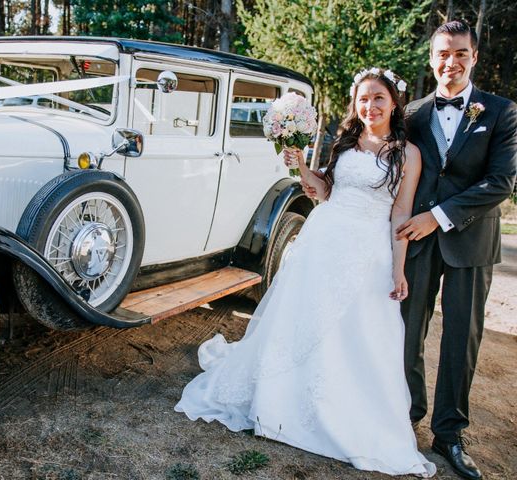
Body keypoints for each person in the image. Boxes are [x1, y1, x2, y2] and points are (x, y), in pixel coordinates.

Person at [175, 68, 436, 477]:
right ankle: (280, 405)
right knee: (302, 320)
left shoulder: (408, 153)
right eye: (363, 99)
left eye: (378, 98)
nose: (370, 106)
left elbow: (400, 213)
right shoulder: (346, 142)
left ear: (394, 103)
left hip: (367, 252)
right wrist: (300, 165)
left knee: (357, 332)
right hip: (323, 240)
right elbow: (323, 190)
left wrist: (398, 268)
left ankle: (341, 416)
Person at [397, 20, 517, 480]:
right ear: (432, 58)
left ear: (474, 58)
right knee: (407, 332)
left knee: (460, 341)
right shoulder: (412, 113)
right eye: (443, 54)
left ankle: (449, 433)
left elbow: (500, 182)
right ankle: (406, 414)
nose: (451, 62)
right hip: (418, 242)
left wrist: (439, 216)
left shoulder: (502, 111)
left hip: (471, 239)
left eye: (461, 53)